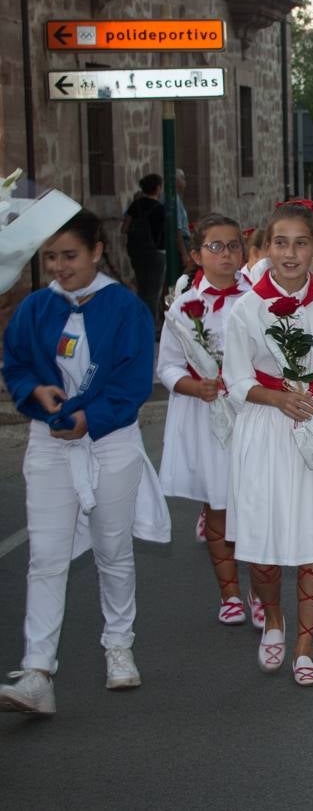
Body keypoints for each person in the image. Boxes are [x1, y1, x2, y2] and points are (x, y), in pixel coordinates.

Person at [0, 211, 168, 715]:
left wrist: (88, 419)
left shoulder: (126, 308)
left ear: (96, 251)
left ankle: (119, 646)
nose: (58, 266)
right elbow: (16, 366)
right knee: (46, 557)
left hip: (109, 442)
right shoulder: (35, 308)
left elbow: (133, 381)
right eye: (49, 257)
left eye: (68, 255)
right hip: (50, 443)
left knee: (112, 551)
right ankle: (37, 671)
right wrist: (36, 393)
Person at [223, 203, 313, 687]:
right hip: (265, 427)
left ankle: (305, 645)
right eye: (280, 243)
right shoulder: (247, 308)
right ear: (266, 248)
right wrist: (278, 399)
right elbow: (236, 379)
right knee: (263, 548)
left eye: (301, 243)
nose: (290, 253)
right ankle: (274, 618)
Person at [157, 215, 255, 627]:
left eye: (234, 245)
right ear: (196, 255)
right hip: (205, 414)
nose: (227, 254)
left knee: (252, 505)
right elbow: (167, 367)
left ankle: (260, 588)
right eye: (216, 247)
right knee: (218, 503)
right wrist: (193, 386)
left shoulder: (258, 300)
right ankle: (229, 591)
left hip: (251, 413)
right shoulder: (182, 308)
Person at [123, 173, 166, 324]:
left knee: (142, 289)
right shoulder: (161, 209)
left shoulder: (136, 205)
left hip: (137, 252)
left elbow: (124, 228)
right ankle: (149, 324)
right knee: (153, 292)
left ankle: (139, 322)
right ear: (158, 188)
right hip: (156, 253)